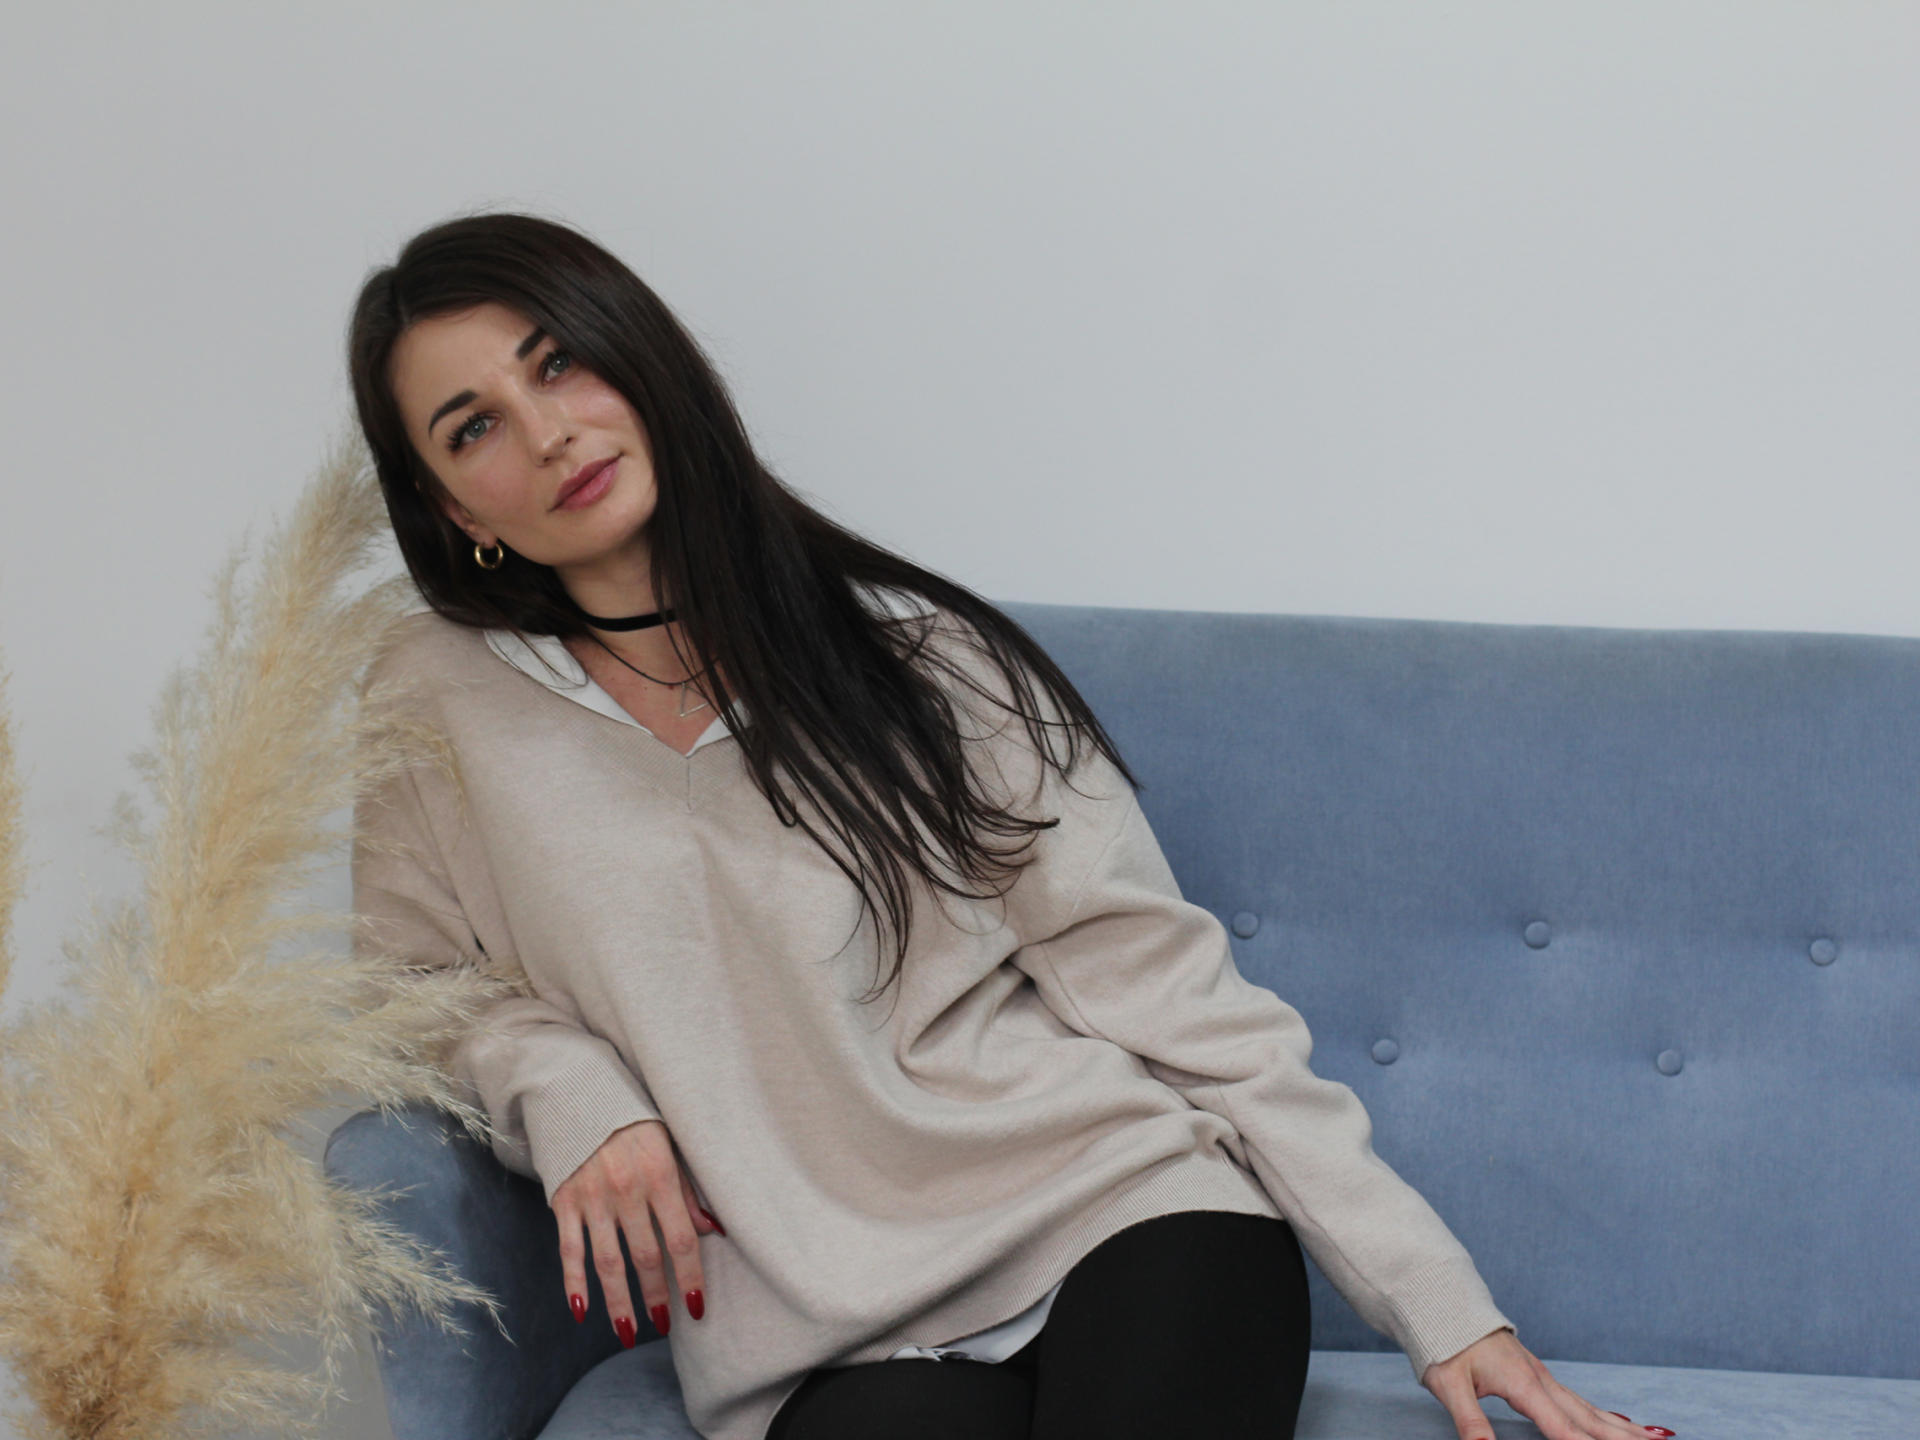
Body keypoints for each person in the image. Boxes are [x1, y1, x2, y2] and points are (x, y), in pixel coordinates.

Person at [342, 211, 1675, 1440]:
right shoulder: (435, 703)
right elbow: (410, 997)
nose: (548, 432)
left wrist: (1439, 1299)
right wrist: (568, 1085)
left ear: (642, 360)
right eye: (475, 426)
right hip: (813, 1327)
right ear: (455, 510)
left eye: (560, 362)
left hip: (1120, 1211)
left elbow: (1173, 994)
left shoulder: (925, 662)